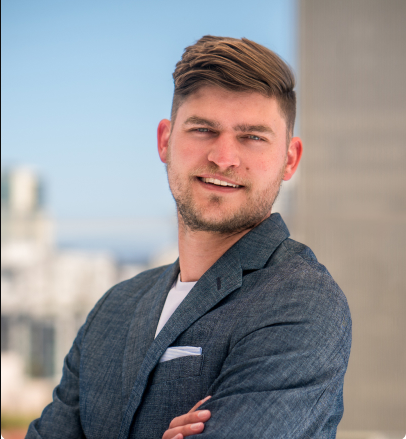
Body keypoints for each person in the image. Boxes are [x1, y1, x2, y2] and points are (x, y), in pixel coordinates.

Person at [26, 35, 351, 439]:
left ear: (290, 159)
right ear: (165, 140)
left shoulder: (301, 302)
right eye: (203, 129)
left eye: (252, 136)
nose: (223, 157)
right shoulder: (113, 308)